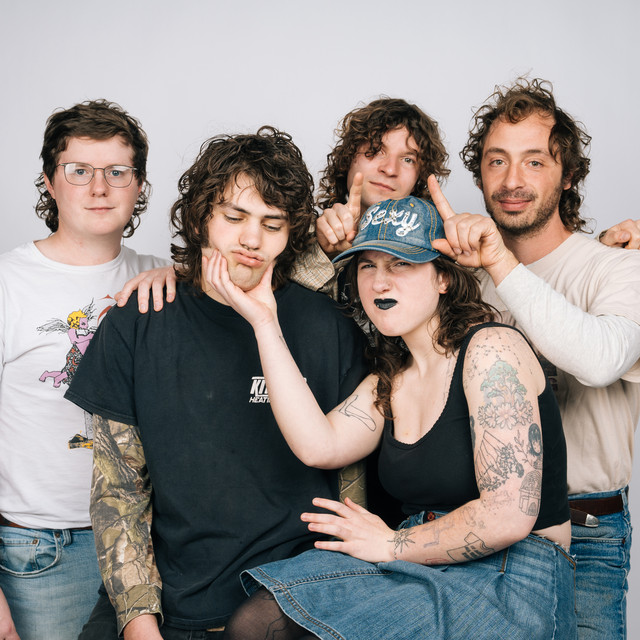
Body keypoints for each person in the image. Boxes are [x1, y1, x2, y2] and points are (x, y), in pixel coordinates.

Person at [211, 195, 575, 640]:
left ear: (443, 277)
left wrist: (390, 543)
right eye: (367, 266)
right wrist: (265, 322)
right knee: (258, 622)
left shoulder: (492, 350)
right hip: (419, 563)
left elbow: (508, 517)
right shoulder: (391, 379)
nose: (379, 282)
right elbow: (317, 445)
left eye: (401, 264)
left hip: (513, 573)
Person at [64, 126, 367, 639]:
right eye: (235, 217)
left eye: (272, 223)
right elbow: (118, 493)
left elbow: (350, 492)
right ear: (202, 217)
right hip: (170, 603)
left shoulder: (327, 327)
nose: (252, 239)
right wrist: (139, 622)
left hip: (289, 606)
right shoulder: (136, 322)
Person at [429, 77, 640, 639]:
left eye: (534, 162)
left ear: (567, 175)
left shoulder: (620, 267)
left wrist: (499, 264)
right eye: (496, 161)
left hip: (586, 534)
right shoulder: (460, 278)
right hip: (481, 525)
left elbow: (598, 360)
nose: (512, 181)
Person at [0, 99, 169, 640]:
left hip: (151, 540)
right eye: (79, 171)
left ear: (139, 186)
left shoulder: (164, 277)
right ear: (50, 182)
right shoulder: (9, 282)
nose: (99, 188)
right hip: (45, 548)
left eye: (117, 172)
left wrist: (181, 275)